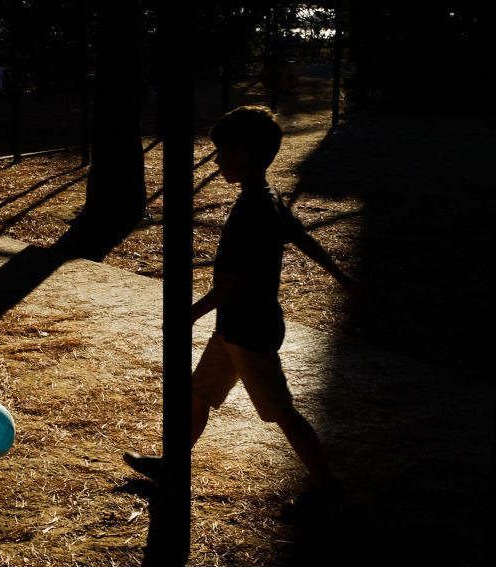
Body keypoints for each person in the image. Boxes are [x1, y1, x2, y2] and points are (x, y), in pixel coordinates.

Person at [124, 106, 360, 512]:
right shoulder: (267, 198)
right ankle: (173, 464)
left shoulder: (254, 208)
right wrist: (339, 275)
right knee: (198, 394)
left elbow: (238, 281)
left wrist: (190, 314)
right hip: (235, 329)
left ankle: (327, 488)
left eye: (222, 152)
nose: (216, 161)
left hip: (250, 333)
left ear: (244, 153)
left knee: (281, 412)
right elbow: (301, 236)